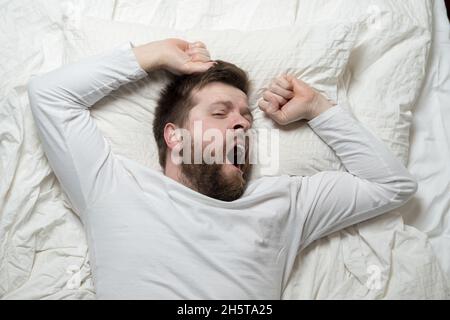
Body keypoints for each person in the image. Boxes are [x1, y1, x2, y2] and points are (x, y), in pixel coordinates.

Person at [28, 38, 417, 299]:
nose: (242, 125)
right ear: (175, 137)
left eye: (247, 119)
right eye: (220, 113)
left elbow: (391, 185)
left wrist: (316, 108)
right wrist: (153, 55)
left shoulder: (284, 202)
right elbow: (50, 96)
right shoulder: (113, 187)